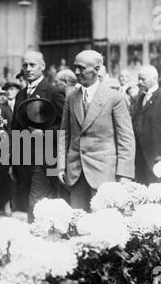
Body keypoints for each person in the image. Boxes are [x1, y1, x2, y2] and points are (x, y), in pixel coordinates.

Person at [58, 50, 135, 212]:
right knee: (77, 224)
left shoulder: (114, 97)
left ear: (97, 69)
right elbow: (63, 134)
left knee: (102, 226)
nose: (77, 72)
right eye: (75, 67)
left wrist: (125, 174)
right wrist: (61, 166)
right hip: (76, 173)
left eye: (82, 68)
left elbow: (126, 138)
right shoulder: (71, 97)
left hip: (105, 173)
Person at [11, 51, 65, 222]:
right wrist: (13, 161)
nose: (28, 69)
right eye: (25, 65)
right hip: (24, 158)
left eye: (32, 65)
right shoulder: (20, 94)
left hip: (45, 158)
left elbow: (66, 126)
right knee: (31, 202)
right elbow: (15, 128)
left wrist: (45, 133)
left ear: (42, 66)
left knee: (36, 203)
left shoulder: (53, 92)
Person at [132, 65, 161, 185]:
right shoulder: (141, 98)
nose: (139, 82)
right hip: (140, 160)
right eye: (139, 79)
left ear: (154, 78)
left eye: (143, 79)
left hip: (156, 159)